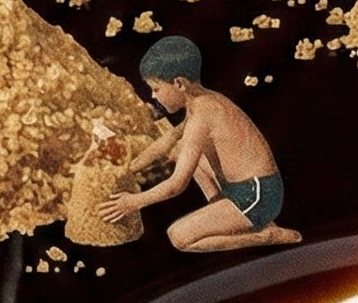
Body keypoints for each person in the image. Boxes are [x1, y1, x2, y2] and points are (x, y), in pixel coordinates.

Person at [103, 35, 301, 251]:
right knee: (181, 150)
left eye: (156, 88)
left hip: (258, 195)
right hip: (240, 189)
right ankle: (221, 212)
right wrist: (128, 169)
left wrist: (132, 202)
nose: (153, 95)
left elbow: (176, 185)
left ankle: (265, 236)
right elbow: (166, 143)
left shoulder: (203, 116)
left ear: (179, 83)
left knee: (178, 236)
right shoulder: (201, 102)